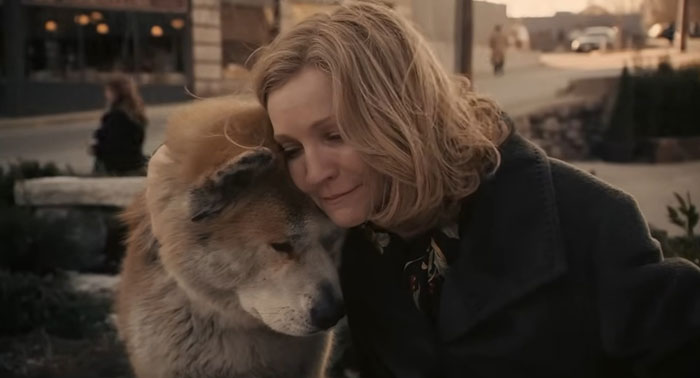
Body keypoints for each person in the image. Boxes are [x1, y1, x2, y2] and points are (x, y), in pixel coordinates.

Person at [249, 2, 700, 377]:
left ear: (399, 115)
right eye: (291, 149)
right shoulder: (352, 252)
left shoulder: (587, 222)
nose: (312, 174)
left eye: (335, 135)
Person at [89, 75, 147, 175]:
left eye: (108, 91)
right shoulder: (135, 113)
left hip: (118, 168)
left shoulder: (117, 116)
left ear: (117, 93)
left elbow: (114, 146)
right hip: (135, 163)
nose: (106, 94)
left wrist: (95, 149)